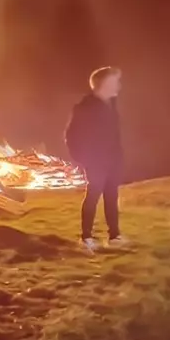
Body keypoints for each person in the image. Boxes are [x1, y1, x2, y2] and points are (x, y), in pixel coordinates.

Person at [64, 66, 126, 251]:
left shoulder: (111, 106)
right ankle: (86, 238)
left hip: (112, 160)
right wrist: (84, 159)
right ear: (104, 84)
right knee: (93, 196)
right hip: (95, 161)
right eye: (115, 81)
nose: (119, 86)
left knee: (111, 196)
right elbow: (71, 135)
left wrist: (118, 157)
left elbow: (114, 135)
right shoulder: (85, 107)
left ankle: (114, 236)